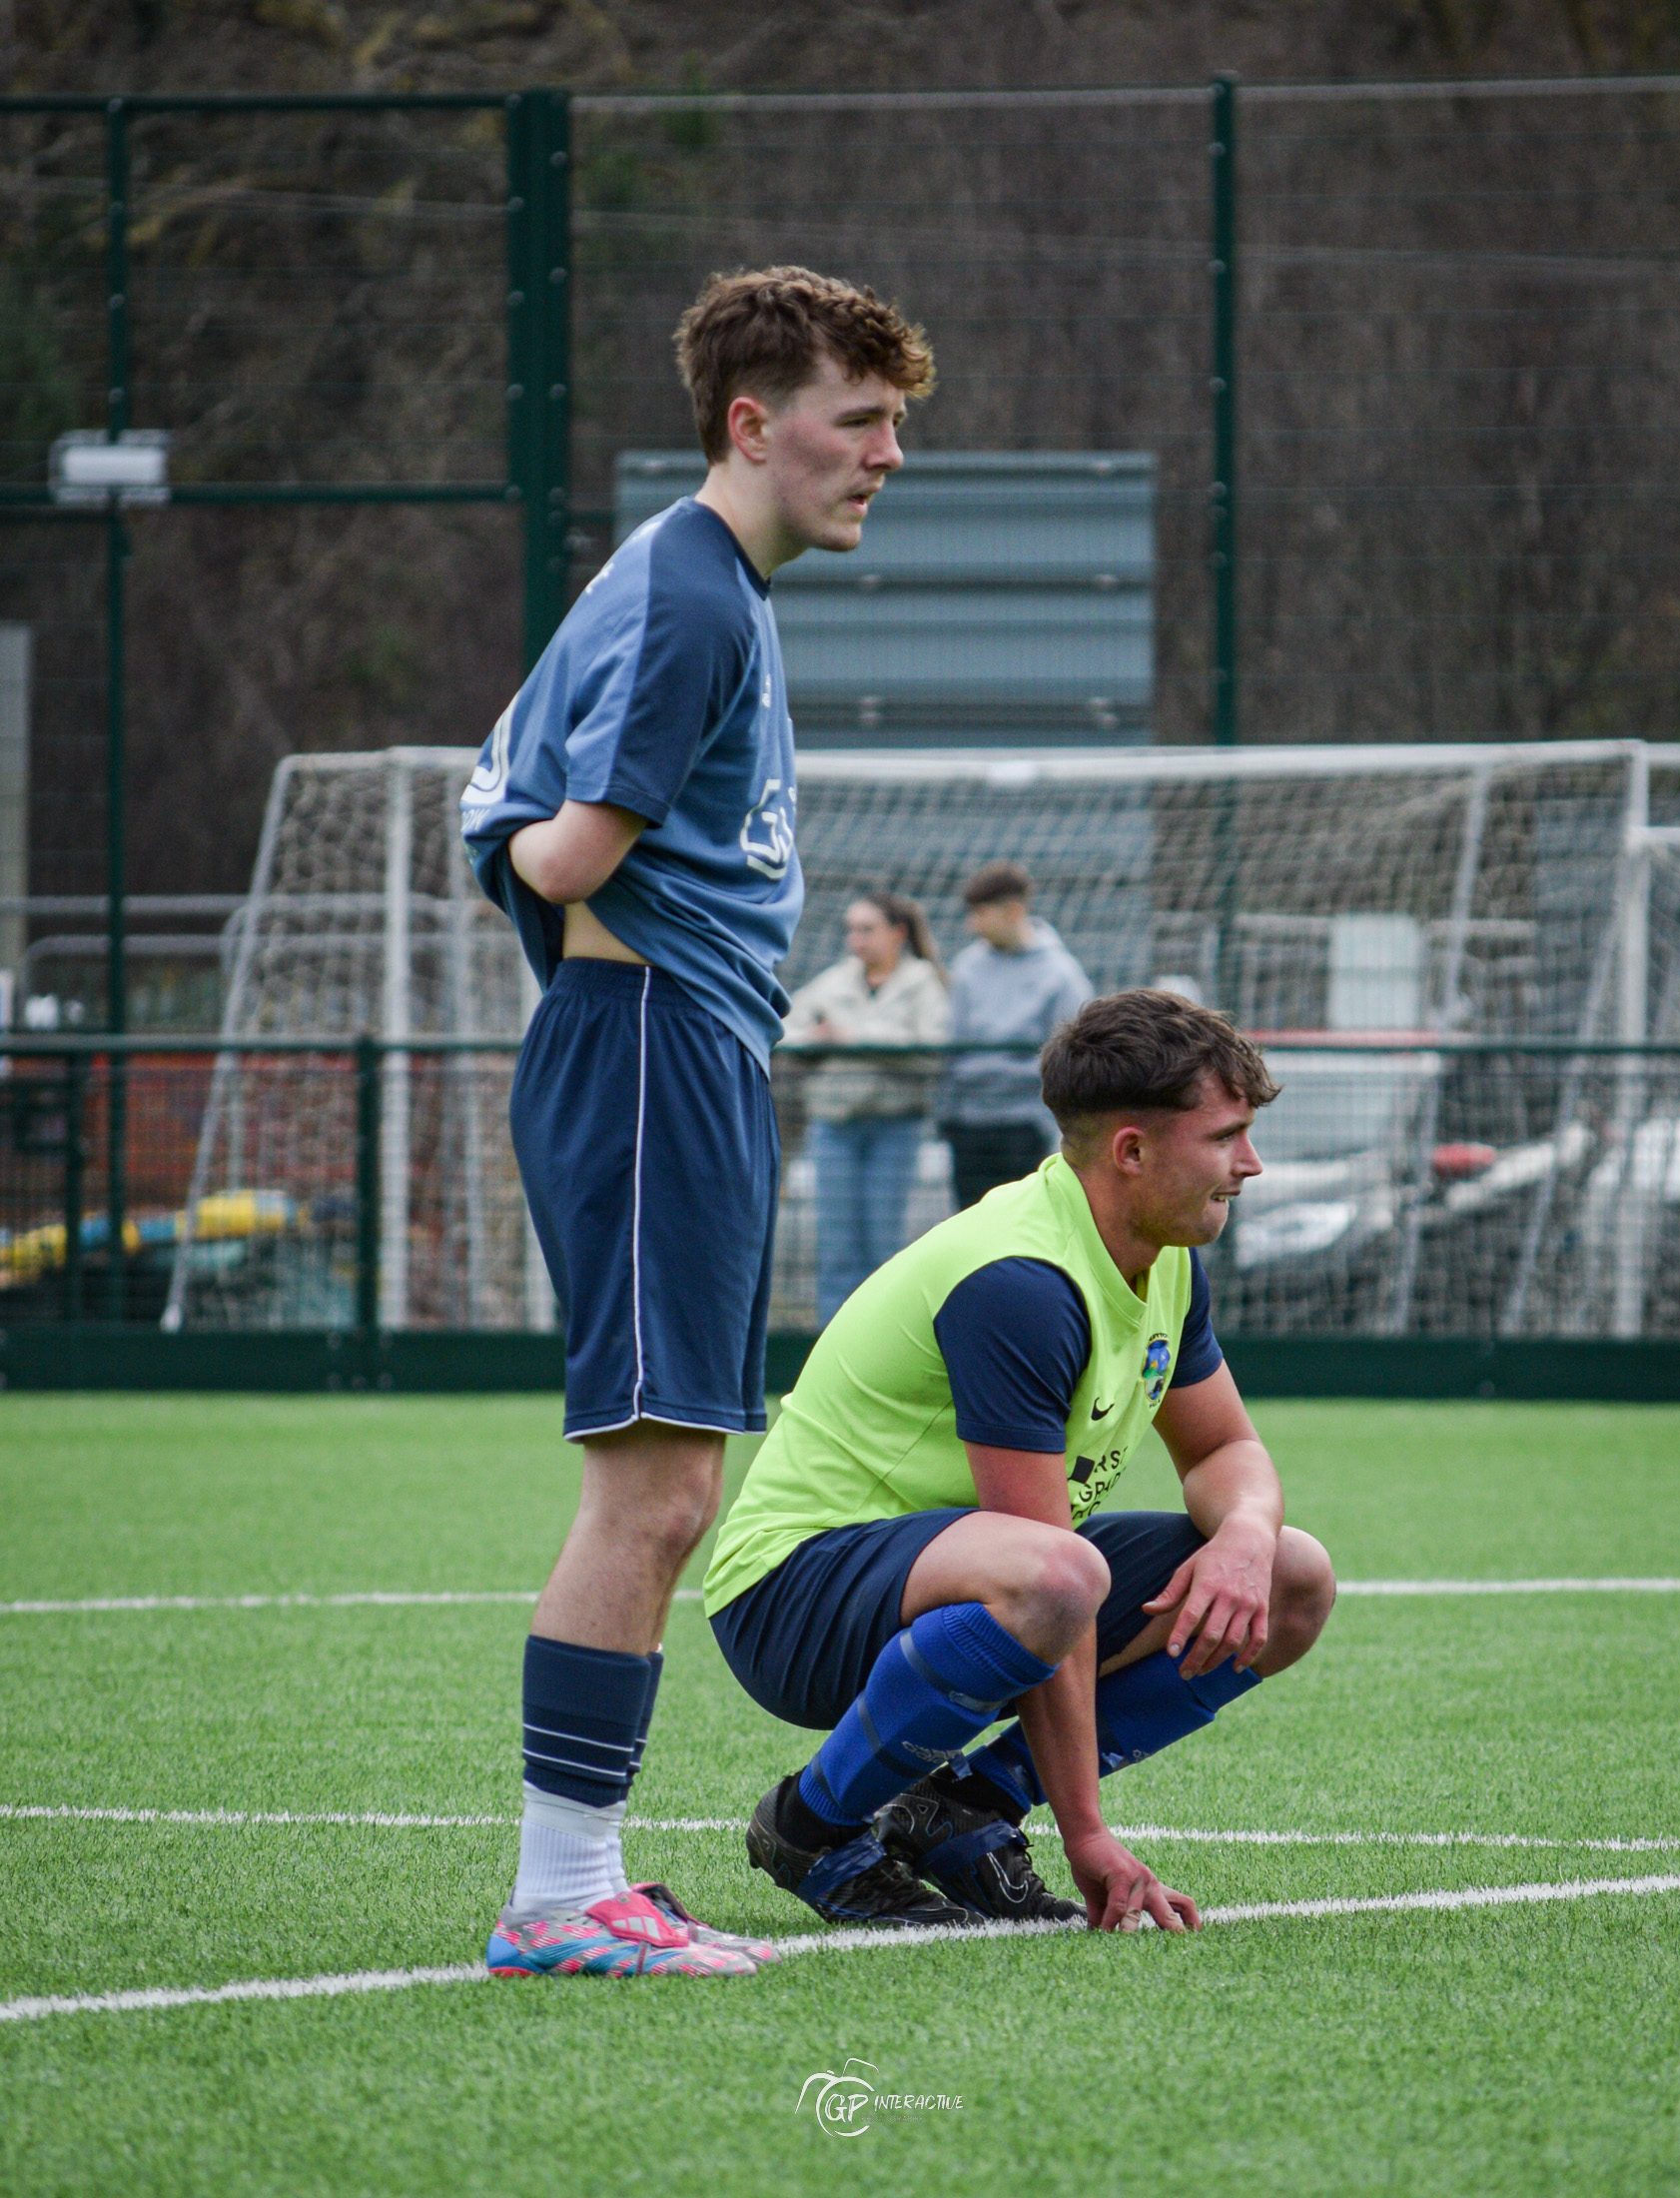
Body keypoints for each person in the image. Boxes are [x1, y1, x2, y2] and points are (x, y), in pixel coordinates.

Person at [458, 266, 935, 1980]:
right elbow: (556, 849)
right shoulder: (696, 592)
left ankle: (580, 1877)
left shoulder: (697, 578)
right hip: (650, 1042)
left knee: (672, 1484)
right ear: (755, 422)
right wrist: (563, 858)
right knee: (656, 1494)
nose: (887, 454)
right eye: (861, 420)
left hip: (677, 1048)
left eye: (894, 423)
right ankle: (563, 1890)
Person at [703, 989, 1335, 1932]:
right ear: (1132, 1149)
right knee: (1056, 1574)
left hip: (980, 1575)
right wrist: (1090, 1833)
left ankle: (966, 1807)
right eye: (1227, 1137)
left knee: (1290, 1576)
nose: (1250, 1164)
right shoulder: (1020, 1283)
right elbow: (1044, 1565)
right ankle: (811, 1826)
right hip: (792, 1595)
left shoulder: (1163, 1256)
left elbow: (1224, 1448)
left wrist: (1246, 1532)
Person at [782, 890, 949, 1325]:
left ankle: (880, 1348)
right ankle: (828, 1351)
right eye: (851, 930)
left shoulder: (922, 983)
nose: (856, 939)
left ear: (898, 933)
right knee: (836, 1248)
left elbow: (932, 1048)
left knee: (882, 1248)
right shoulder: (834, 980)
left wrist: (852, 1036)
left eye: (866, 929)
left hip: (895, 1127)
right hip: (833, 1126)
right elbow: (786, 1029)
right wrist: (818, 1039)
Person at [940, 859, 1092, 1209]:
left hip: (1027, 1127)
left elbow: (1070, 1059)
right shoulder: (966, 967)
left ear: (1012, 911)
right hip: (969, 1128)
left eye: (980, 913)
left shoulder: (1062, 974)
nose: (971, 924)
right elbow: (954, 1049)